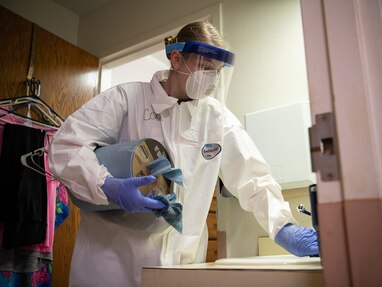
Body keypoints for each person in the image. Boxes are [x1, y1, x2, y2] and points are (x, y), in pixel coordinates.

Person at [48, 21, 319, 287]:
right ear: (176, 59)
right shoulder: (126, 99)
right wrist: (106, 185)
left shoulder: (215, 118)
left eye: (217, 72)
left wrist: (283, 226)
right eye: (204, 68)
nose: (211, 79)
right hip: (111, 266)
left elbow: (253, 178)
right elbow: (65, 146)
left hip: (180, 269)